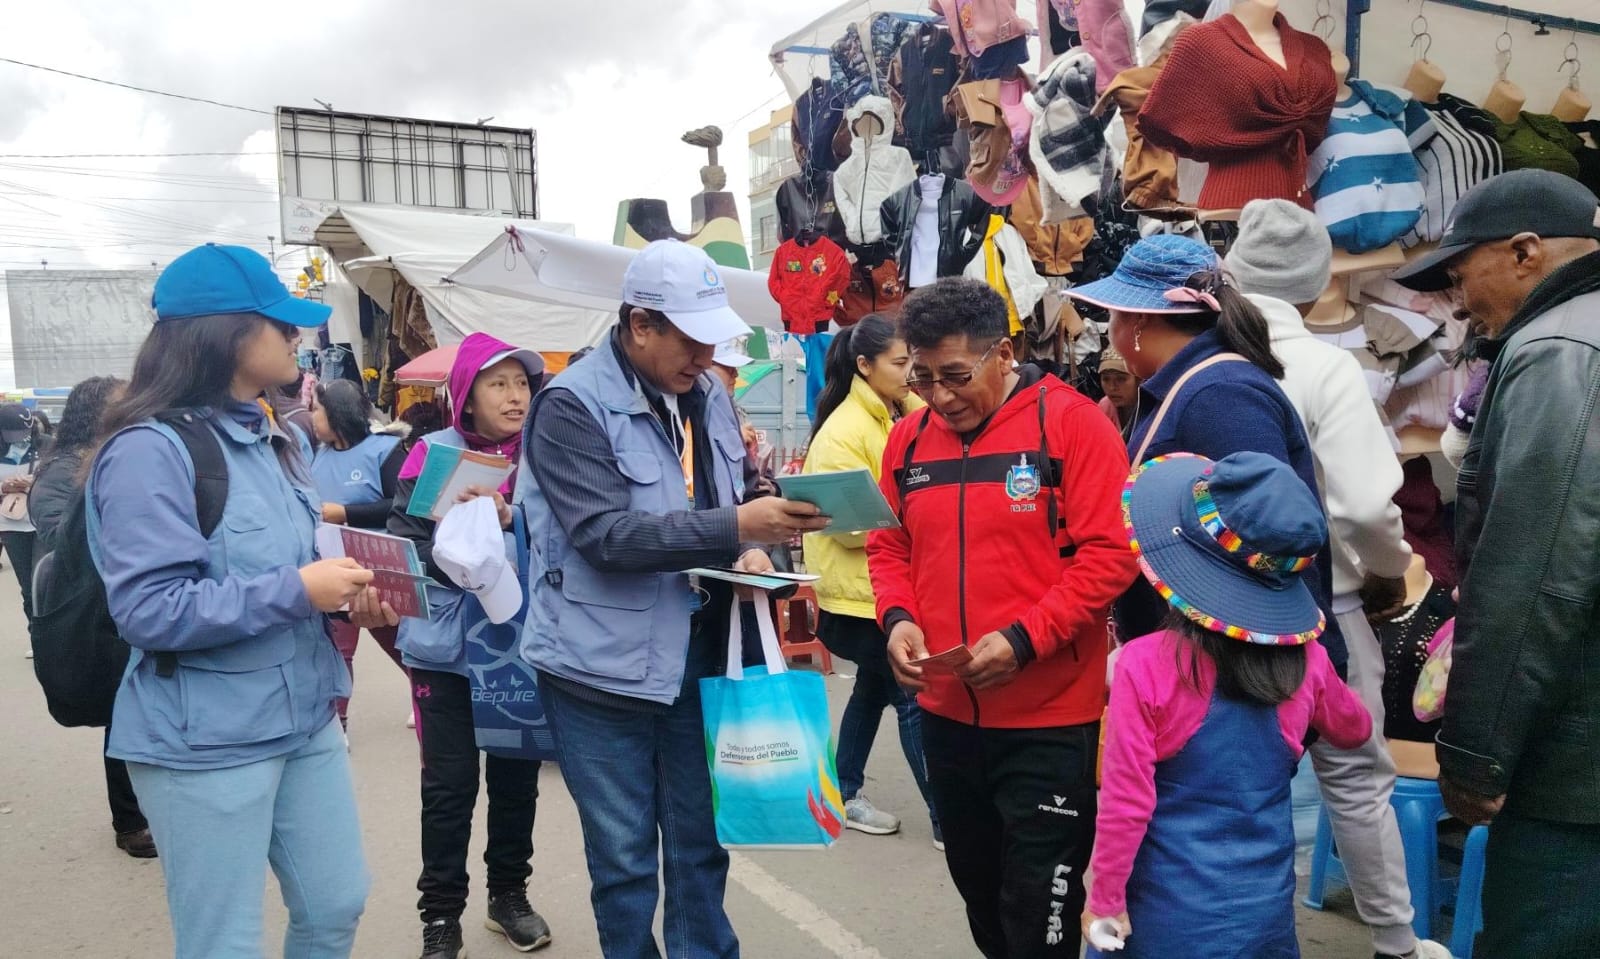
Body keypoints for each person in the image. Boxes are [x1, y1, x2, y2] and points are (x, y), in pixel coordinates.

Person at [519, 239, 828, 959]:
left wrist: (762, 531)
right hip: (598, 673)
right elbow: (604, 536)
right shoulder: (569, 407)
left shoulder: (710, 395)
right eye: (689, 339)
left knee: (699, 842)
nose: (702, 355)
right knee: (625, 860)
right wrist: (732, 525)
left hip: (701, 655)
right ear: (638, 325)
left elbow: (741, 485)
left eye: (709, 338)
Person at [87, 242, 396, 958]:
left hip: (304, 716)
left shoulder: (274, 435)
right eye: (278, 322)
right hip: (204, 740)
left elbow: (296, 562)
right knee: (223, 941)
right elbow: (149, 609)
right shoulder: (148, 451)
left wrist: (346, 598)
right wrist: (298, 590)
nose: (297, 335)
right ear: (223, 333)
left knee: (335, 901)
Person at [868, 278, 1138, 958]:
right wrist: (897, 617)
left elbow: (1112, 555)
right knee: (979, 887)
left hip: (1049, 719)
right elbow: (888, 542)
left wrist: (1024, 640)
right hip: (947, 715)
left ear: (1005, 352)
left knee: (1039, 901)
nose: (939, 395)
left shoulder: (1073, 423)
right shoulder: (906, 441)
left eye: (956, 375)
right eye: (922, 377)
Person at [1225, 199, 1449, 959]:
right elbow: (1360, 504)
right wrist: (1388, 573)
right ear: (1316, 282)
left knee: (1230, 776)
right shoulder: (1327, 368)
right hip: (1325, 606)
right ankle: (1395, 939)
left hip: (1210, 605)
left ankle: (1244, 929)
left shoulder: (1202, 360)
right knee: (1354, 774)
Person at [1391, 168, 1600, 956]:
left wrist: (1476, 752)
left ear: (1523, 252)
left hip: (1576, 780)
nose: (1455, 299)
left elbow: (1538, 571)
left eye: (1457, 274)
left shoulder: (1560, 351)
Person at [1084, 451, 1371, 958]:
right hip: (1262, 917)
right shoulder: (1307, 662)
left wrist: (1105, 901)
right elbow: (1356, 729)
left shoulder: (1144, 665)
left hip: (1165, 918)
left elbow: (1126, 803)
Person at [1066, 234, 1346, 673]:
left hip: (1239, 675)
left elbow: (1266, 535)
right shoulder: (1191, 387)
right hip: (1211, 663)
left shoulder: (1219, 395)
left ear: (1137, 321)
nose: (1110, 331)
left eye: (1111, 317)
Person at [388, 332, 553, 959]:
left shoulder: (542, 458)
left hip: (517, 649)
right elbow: (405, 547)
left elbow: (564, 540)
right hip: (442, 651)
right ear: (466, 396)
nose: (515, 397)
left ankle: (508, 896)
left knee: (516, 781)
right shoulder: (428, 456)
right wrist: (460, 551)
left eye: (521, 383)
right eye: (498, 384)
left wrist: (514, 519)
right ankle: (440, 916)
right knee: (450, 786)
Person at [800, 314, 938, 842]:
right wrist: (919, 520)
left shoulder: (905, 410)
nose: (911, 372)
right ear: (865, 365)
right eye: (901, 363)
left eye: (912, 362)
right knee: (911, 695)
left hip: (892, 588)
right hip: (858, 599)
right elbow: (849, 525)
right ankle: (947, 816)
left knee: (874, 691)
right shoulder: (842, 433)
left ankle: (843, 791)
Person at [27, 376, 155, 858]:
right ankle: (130, 822)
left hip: (126, 607)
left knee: (139, 708)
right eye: (123, 406)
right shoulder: (63, 470)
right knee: (120, 713)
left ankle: (149, 808)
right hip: (93, 613)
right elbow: (62, 539)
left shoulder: (120, 460)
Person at [309, 378, 410, 732]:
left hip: (380, 572)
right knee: (339, 649)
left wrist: (346, 513)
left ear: (337, 413)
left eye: (316, 409)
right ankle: (338, 723)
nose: (311, 417)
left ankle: (424, 695)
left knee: (403, 647)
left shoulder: (384, 449)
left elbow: (404, 505)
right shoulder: (317, 455)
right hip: (331, 568)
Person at [0, 403, 42, 627]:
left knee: (45, 582)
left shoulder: (44, 447)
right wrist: (4, 487)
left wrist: (35, 483)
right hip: (11, 525)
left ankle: (53, 637)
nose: (19, 438)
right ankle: (36, 636)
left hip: (41, 521)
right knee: (27, 586)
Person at [1096, 346, 1140, 437]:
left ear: (1138, 379)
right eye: (1106, 379)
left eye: (1121, 379)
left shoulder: (1152, 409)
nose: (1112, 387)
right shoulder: (1105, 407)